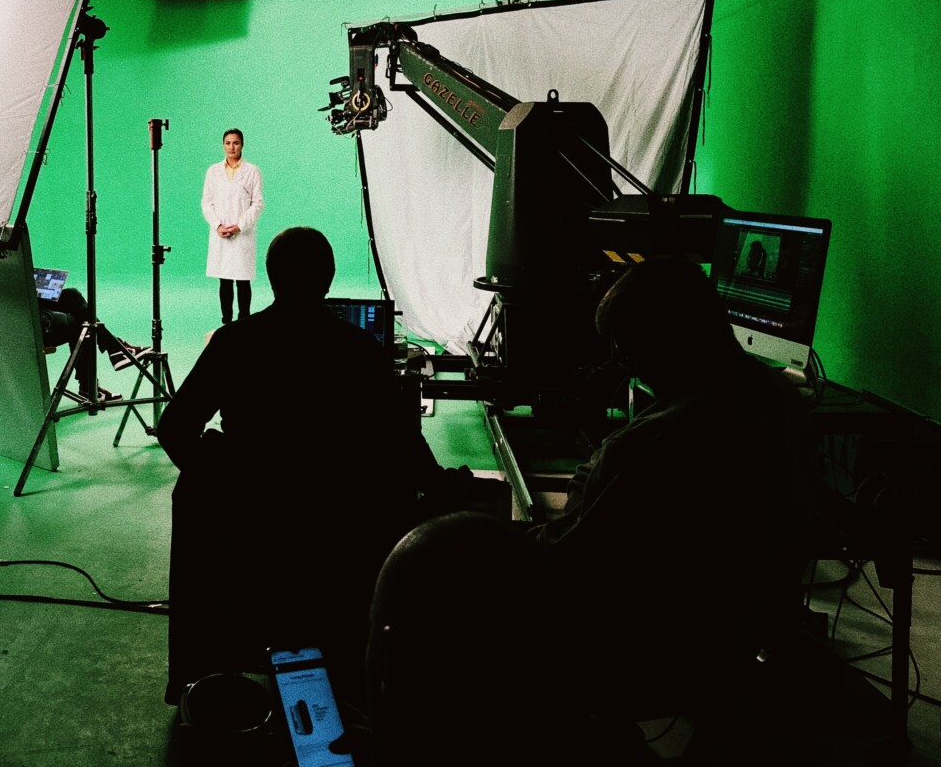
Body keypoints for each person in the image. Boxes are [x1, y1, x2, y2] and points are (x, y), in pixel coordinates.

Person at [367, 256, 818, 763]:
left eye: (627, 347)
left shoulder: (654, 443)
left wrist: (494, 544)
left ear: (668, 338)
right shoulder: (780, 400)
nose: (622, 364)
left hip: (643, 644)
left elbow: (568, 565)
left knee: (425, 567)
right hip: (735, 634)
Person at [158, 226, 443, 708]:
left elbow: (174, 429)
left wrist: (223, 477)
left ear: (270, 278)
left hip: (248, 516)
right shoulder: (359, 348)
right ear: (328, 278)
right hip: (336, 525)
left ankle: (206, 677)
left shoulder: (234, 341)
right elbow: (402, 442)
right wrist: (441, 488)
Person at [200, 128, 263, 325]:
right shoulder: (213, 171)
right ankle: (226, 322)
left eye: (235, 143)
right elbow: (207, 202)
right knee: (224, 280)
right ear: (223, 145)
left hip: (242, 234)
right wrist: (218, 225)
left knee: (243, 281)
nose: (231, 147)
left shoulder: (252, 171)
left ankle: (244, 322)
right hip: (221, 233)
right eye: (228, 143)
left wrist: (240, 226)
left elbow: (257, 203)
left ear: (242, 145)